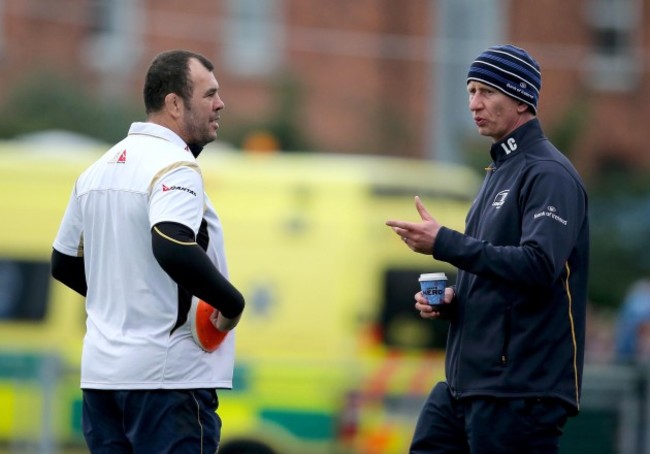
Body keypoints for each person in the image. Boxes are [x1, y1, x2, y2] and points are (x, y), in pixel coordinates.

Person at [386, 44, 589, 453]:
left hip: (519, 391)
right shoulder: (499, 171)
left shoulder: (548, 173)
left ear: (520, 98)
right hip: (466, 387)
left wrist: (443, 242)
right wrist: (454, 302)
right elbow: (498, 277)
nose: (473, 104)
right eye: (470, 92)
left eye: (485, 92)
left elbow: (537, 266)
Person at [51, 49, 245, 453]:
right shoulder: (176, 166)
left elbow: (64, 263)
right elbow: (172, 245)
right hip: (167, 381)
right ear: (175, 103)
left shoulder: (97, 169)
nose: (220, 104)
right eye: (209, 94)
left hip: (103, 380)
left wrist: (126, 295)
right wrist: (232, 303)